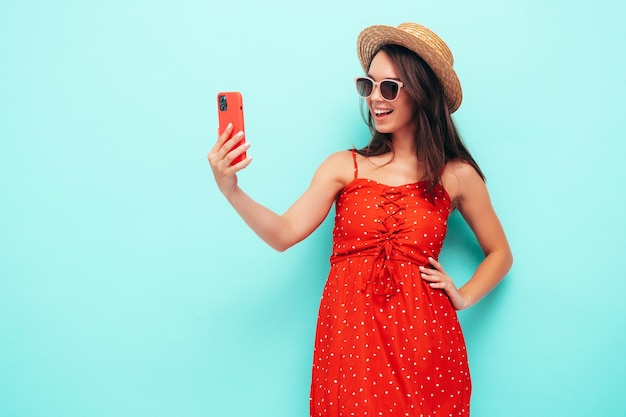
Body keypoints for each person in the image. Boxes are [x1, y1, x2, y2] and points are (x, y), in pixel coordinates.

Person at [208, 22, 512, 417]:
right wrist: (231, 189)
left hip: (425, 343)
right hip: (351, 340)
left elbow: (500, 253)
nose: (375, 98)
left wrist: (464, 295)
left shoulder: (456, 176)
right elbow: (283, 234)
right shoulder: (344, 166)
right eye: (368, 85)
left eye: (389, 87)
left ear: (422, 94)